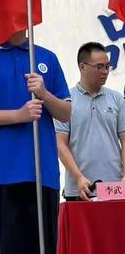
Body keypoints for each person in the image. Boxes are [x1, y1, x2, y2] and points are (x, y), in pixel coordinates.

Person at [0, 30, 71, 254]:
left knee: (44, 247)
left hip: (42, 172)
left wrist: (44, 94)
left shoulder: (46, 58)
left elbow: (66, 113)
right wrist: (17, 116)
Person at [55, 42, 125, 201]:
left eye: (107, 66)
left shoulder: (117, 99)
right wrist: (78, 177)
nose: (105, 72)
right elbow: (60, 144)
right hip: (80, 190)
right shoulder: (66, 102)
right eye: (100, 67)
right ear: (82, 67)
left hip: (114, 189)